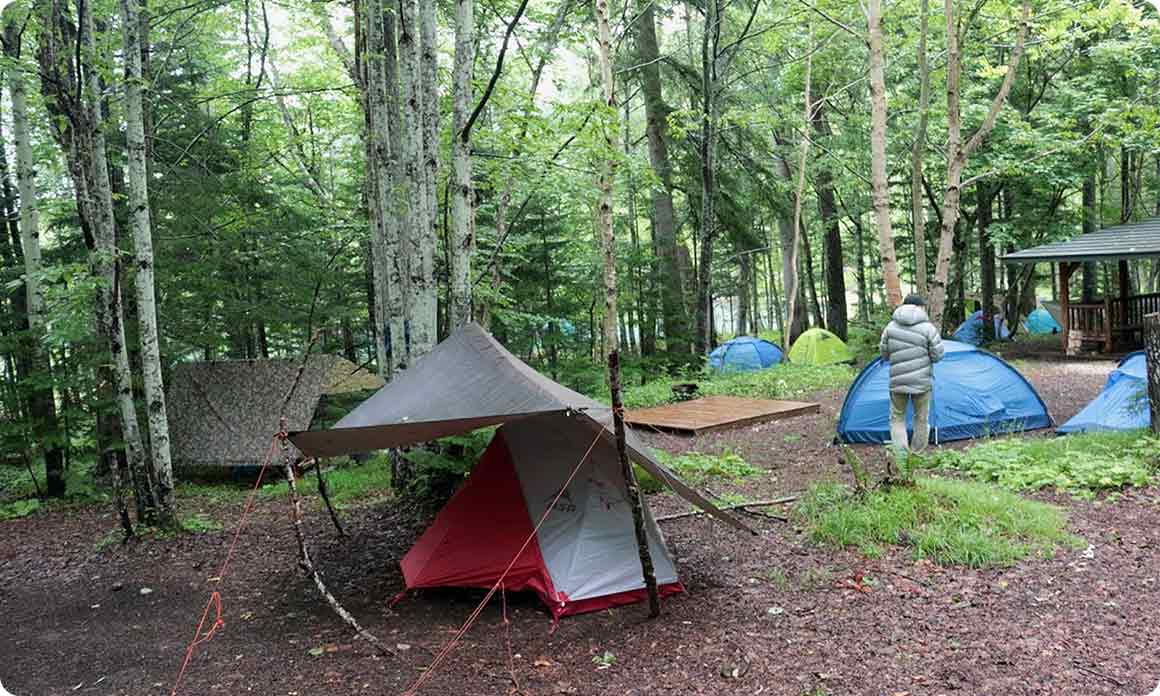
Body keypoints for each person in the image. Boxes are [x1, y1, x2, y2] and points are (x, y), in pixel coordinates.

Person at [879, 294, 945, 453]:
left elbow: (884, 353)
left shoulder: (890, 327)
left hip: (897, 381)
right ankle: (916, 454)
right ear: (921, 307)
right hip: (922, 382)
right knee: (921, 419)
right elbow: (938, 355)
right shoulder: (928, 328)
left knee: (897, 418)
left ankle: (901, 455)